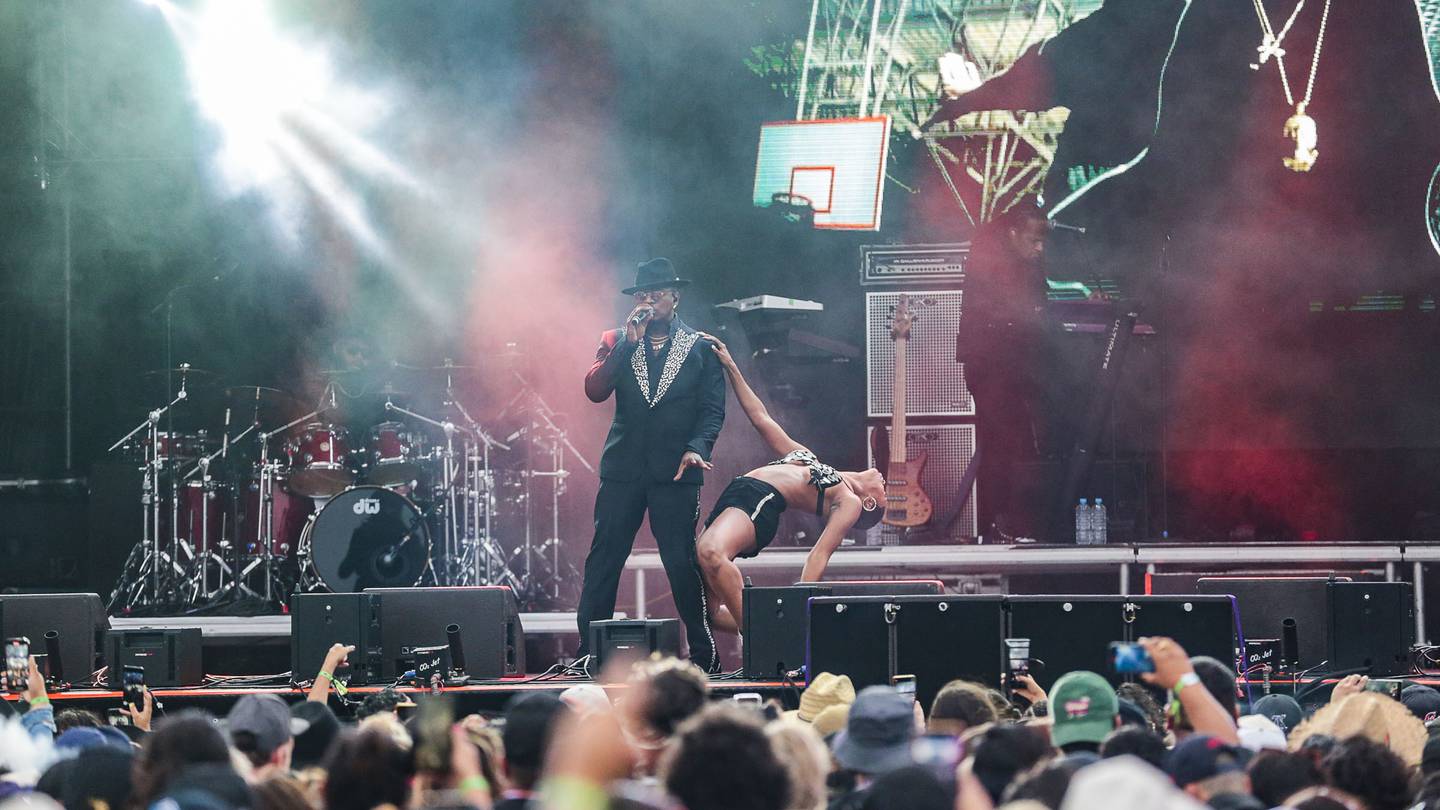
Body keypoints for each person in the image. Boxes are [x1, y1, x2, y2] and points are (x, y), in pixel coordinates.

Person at [577, 257, 727, 672]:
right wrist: (627, 341)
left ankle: (702, 655)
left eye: (657, 293)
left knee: (680, 561)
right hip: (623, 469)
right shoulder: (616, 340)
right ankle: (588, 654)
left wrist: (699, 447)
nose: (648, 300)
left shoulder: (701, 346)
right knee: (605, 558)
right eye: (643, 294)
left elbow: (712, 410)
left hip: (677, 472)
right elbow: (594, 390)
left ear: (674, 297)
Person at [692, 333, 885, 633]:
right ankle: (771, 632)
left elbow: (819, 553)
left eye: (885, 492)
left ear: (870, 502)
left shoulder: (850, 501)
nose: (884, 481)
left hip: (761, 501)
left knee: (711, 554)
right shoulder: (809, 459)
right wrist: (731, 367)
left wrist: (800, 604)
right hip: (737, 495)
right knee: (709, 612)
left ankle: (766, 645)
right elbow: (761, 418)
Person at [953, 204, 1055, 542]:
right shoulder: (988, 260)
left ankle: (999, 526)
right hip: (990, 364)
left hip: (1016, 364)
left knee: (1007, 444)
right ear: (1012, 234)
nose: (1039, 248)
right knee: (1009, 443)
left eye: (1043, 242)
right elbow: (1002, 313)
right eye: (1033, 240)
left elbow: (1039, 308)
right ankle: (1002, 525)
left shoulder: (1030, 265)